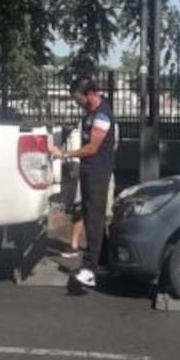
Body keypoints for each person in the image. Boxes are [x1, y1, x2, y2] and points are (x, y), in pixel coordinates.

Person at [50, 77, 115, 289]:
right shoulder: (89, 114)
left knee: (94, 220)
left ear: (91, 94)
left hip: (98, 173)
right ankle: (104, 260)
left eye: (78, 98)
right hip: (88, 171)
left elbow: (92, 148)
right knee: (89, 217)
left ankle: (90, 268)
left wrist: (64, 154)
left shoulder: (103, 115)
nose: (76, 102)